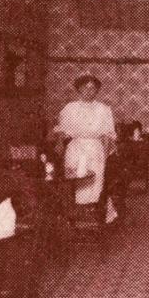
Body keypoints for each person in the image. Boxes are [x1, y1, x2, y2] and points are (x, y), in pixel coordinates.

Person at [54, 73, 118, 223]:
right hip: (75, 149)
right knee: (74, 181)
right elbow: (62, 131)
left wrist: (107, 154)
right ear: (79, 89)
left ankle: (91, 214)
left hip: (95, 149)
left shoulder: (103, 109)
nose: (89, 91)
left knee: (94, 181)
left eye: (93, 88)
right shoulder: (70, 108)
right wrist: (58, 145)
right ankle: (73, 215)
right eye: (85, 88)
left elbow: (108, 134)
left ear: (97, 91)